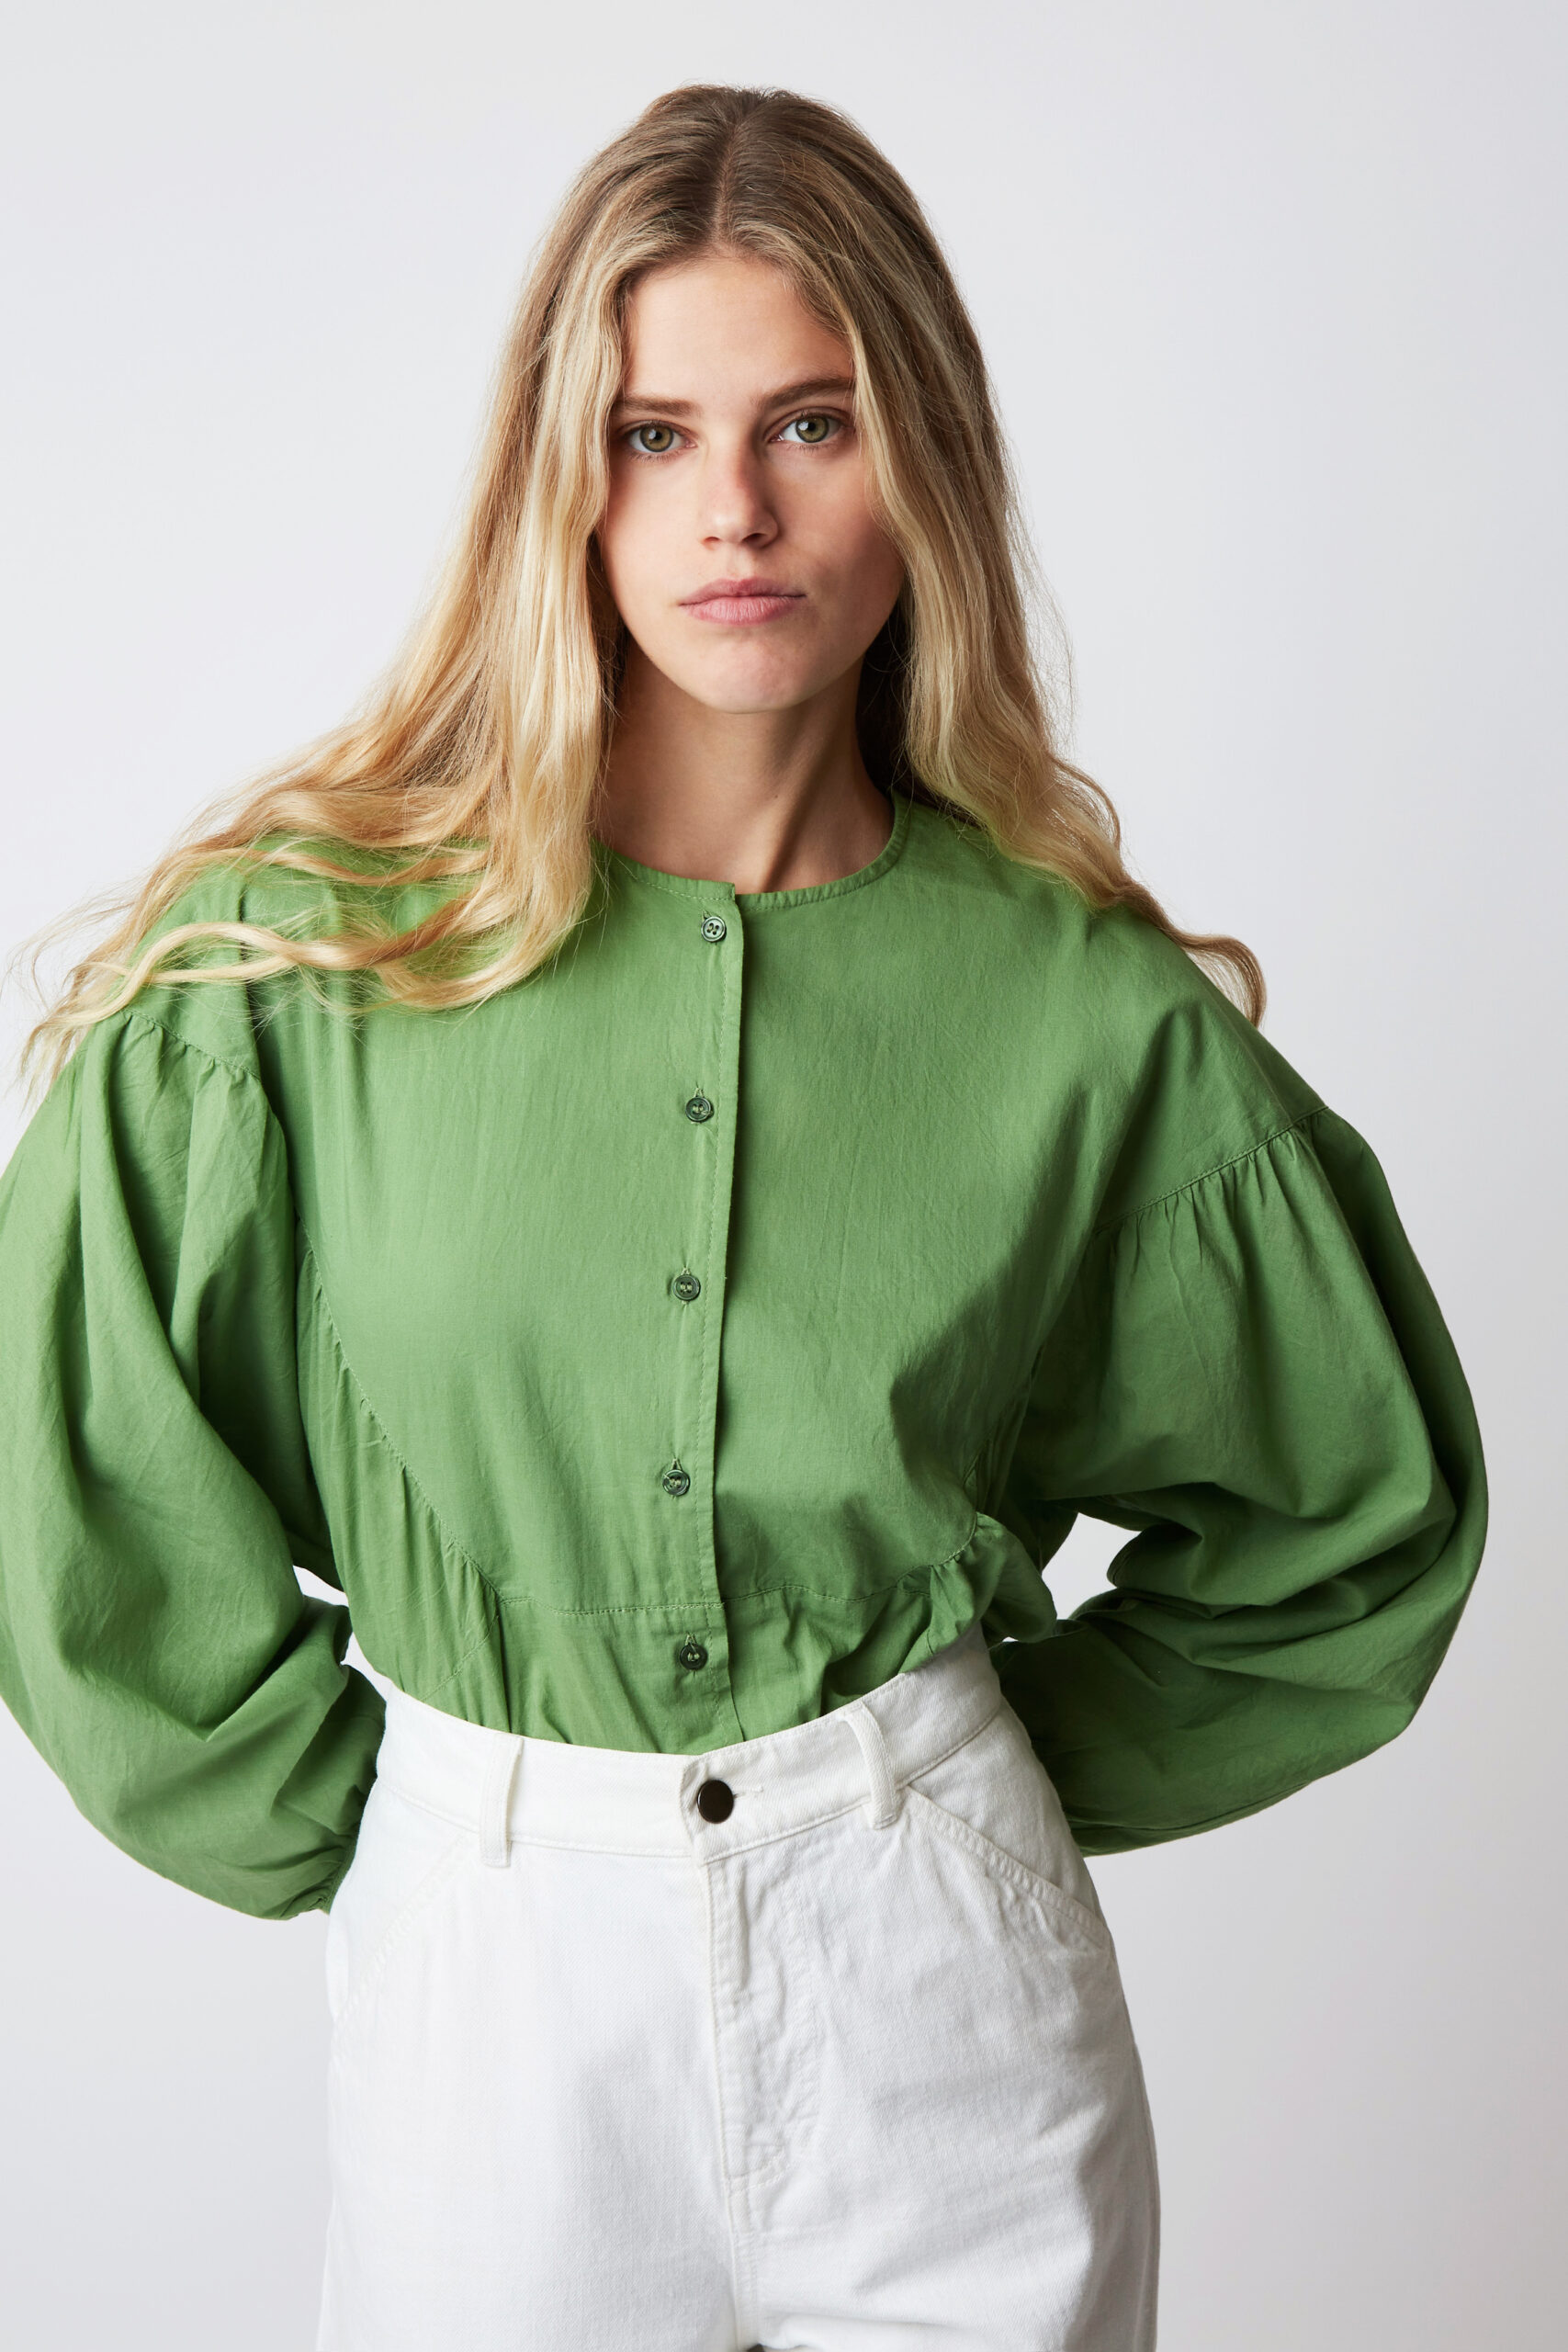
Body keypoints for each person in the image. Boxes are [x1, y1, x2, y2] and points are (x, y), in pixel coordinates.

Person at [0, 82, 1485, 2352]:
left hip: (947, 2009)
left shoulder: (1074, 1006)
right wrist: (389, 1829)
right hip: (493, 1997)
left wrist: (954, 1785)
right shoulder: (315, 958)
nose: (732, 510)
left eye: (809, 421)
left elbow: (1351, 1523)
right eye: (650, 433)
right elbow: (78, 1476)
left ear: (922, 458)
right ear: (558, 475)